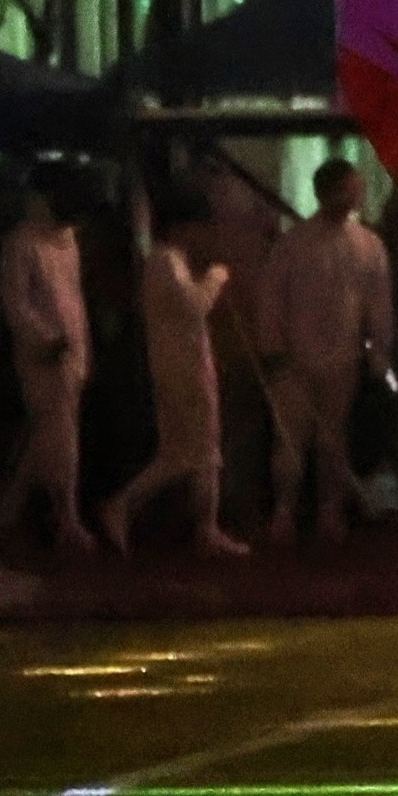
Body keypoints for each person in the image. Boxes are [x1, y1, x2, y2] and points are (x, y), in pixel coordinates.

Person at [250, 157, 395, 545]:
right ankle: (286, 510)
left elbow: (377, 303)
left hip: (341, 358)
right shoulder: (295, 245)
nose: (354, 197)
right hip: (295, 359)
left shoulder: (366, 246)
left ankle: (327, 511)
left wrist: (378, 350)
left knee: (332, 438)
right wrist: (274, 350)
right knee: (292, 438)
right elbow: (271, 300)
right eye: (349, 190)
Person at [99, 189, 243, 556]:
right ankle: (123, 505)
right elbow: (194, 306)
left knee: (197, 450)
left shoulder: (169, 260)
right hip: (181, 368)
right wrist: (215, 278)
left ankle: (206, 527)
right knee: (191, 450)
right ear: (182, 226)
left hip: (183, 364)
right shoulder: (165, 262)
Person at [0, 174, 91, 551]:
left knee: (49, 438)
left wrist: (81, 349)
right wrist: (46, 339)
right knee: (59, 439)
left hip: (68, 353)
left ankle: (7, 517)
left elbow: (74, 300)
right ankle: (65, 518)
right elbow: (16, 303)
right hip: (42, 358)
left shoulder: (65, 240)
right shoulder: (22, 243)